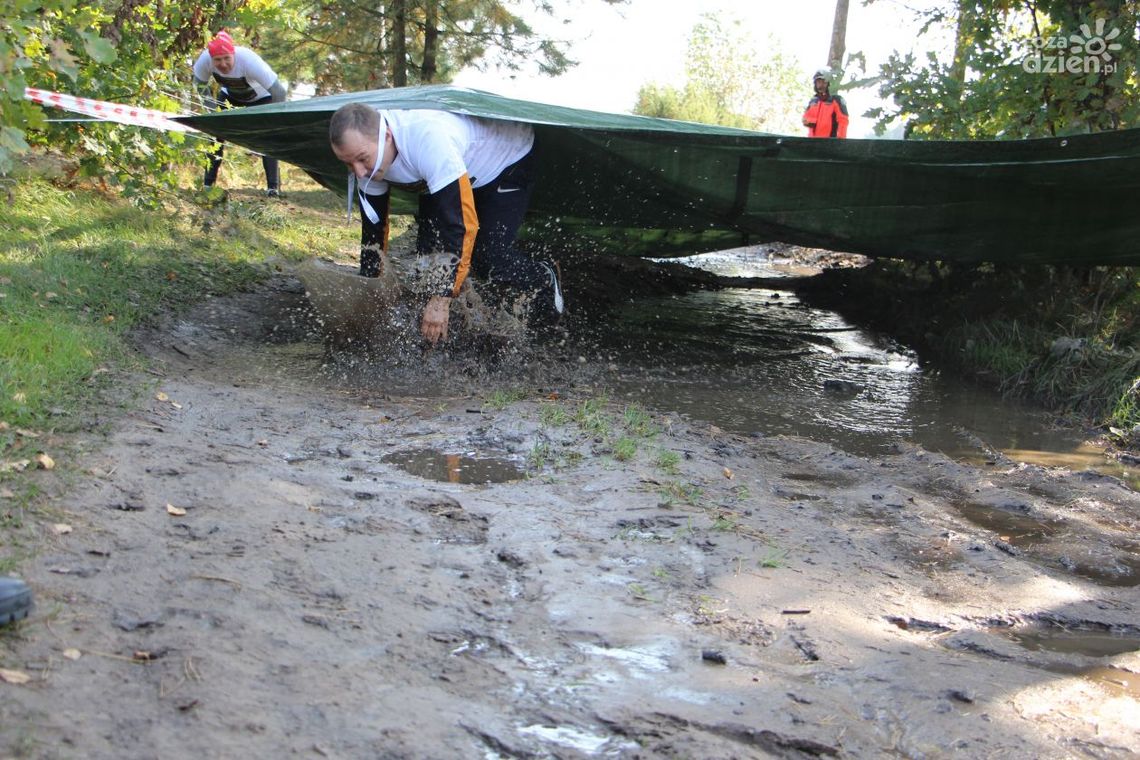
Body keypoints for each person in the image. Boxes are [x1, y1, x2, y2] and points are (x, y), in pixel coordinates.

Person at [328, 103, 564, 345]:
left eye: (361, 159)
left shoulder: (428, 139)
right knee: (429, 264)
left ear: (386, 136)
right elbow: (374, 234)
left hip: (506, 159)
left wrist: (441, 300)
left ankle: (543, 276)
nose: (358, 172)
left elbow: (461, 225)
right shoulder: (368, 162)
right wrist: (370, 291)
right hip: (449, 171)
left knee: (488, 259)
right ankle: (445, 336)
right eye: (348, 164)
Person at [192, 31, 286, 196]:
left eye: (227, 58)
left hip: (262, 99)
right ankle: (207, 184)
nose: (223, 64)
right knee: (214, 135)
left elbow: (279, 92)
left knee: (267, 139)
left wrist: (274, 120)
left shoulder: (249, 61)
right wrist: (211, 111)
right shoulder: (204, 60)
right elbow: (200, 85)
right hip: (230, 98)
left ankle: (273, 188)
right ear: (211, 58)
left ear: (233, 54)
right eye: (218, 60)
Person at [802, 69, 849, 139]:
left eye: (824, 82)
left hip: (830, 143)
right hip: (812, 143)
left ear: (828, 84)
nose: (821, 85)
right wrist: (809, 122)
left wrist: (840, 142)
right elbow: (806, 119)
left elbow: (843, 120)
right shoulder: (813, 101)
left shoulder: (836, 100)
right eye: (818, 82)